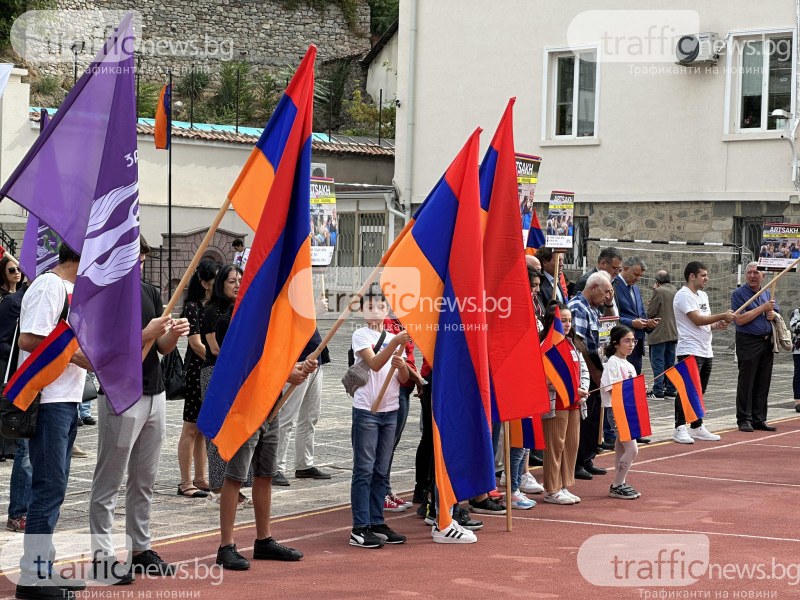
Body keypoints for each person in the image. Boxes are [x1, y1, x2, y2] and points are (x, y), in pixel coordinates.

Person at [89, 238, 191, 584]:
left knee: (144, 478)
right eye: (136, 261)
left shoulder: (149, 291)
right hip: (121, 391)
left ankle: (140, 548)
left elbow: (160, 348)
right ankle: (102, 556)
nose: (141, 268)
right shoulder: (105, 294)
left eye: (144, 262)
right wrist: (145, 333)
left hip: (155, 390)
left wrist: (173, 333)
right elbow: (105, 350)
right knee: (110, 479)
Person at [16, 244, 91, 599]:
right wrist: (78, 357)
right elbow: (30, 338)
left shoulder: (71, 290)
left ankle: (43, 566)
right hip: (48, 400)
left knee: (55, 488)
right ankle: (32, 578)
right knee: (47, 488)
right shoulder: (50, 286)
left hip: (66, 399)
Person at [214, 311, 315, 570]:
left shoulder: (272, 325)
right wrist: (285, 374)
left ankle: (264, 538)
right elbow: (244, 365)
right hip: (246, 408)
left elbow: (276, 361)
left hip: (271, 406)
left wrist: (297, 369)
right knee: (235, 476)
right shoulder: (237, 322)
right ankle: (226, 545)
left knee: (266, 474)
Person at [348, 289, 410, 548]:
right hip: (367, 411)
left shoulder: (395, 338)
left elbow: (403, 379)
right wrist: (395, 344)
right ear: (364, 311)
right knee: (364, 469)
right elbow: (373, 364)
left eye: (380, 306)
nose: (376, 311)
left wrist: (403, 366)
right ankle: (360, 526)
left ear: (386, 310)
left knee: (381, 470)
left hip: (390, 409)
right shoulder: (361, 335)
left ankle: (376, 520)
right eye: (370, 307)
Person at [672, 261, 734, 444]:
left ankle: (697, 426)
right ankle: (679, 427)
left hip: (706, 349)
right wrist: (722, 315)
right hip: (690, 349)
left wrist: (717, 324)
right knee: (686, 390)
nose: (707, 278)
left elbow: (706, 322)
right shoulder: (683, 295)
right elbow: (697, 320)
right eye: (703, 275)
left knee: (700, 390)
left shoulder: (703, 295)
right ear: (692, 276)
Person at [202, 265, 247, 499]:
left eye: (240, 279)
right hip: (216, 373)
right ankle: (218, 486)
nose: (237, 284)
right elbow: (215, 349)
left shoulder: (242, 309)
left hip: (238, 374)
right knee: (217, 430)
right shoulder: (212, 311)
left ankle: (236, 485)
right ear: (221, 284)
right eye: (232, 281)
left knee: (238, 428)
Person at [274, 310, 332, 486]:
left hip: (315, 359)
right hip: (296, 362)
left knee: (310, 417)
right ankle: (275, 467)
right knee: (286, 417)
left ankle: (304, 463)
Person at [176, 259, 218, 498]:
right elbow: (196, 344)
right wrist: (218, 362)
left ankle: (201, 478)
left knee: (203, 428)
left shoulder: (216, 307)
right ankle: (185, 482)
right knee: (191, 428)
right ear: (203, 283)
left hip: (211, 371)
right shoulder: (193, 307)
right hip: (196, 372)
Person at [568, 271, 614, 480]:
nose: (607, 297)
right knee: (583, 419)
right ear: (594, 287)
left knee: (594, 417)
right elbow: (580, 344)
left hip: (596, 365)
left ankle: (586, 458)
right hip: (584, 370)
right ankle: (576, 461)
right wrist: (593, 372)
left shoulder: (593, 309)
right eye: (605, 292)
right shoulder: (578, 307)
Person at [541, 303, 588, 505]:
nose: (567, 324)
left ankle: (563, 485)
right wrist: (571, 389)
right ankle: (551, 489)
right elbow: (545, 378)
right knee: (555, 447)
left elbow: (583, 370)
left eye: (569, 320)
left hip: (575, 404)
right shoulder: (546, 346)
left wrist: (583, 388)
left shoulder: (572, 344)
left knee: (570, 445)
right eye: (563, 320)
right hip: (557, 404)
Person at [731, 262, 779, 432]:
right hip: (748, 341)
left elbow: (775, 313)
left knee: (763, 381)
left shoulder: (767, 292)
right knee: (747, 381)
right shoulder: (739, 294)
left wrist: (773, 315)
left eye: (756, 273)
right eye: (749, 272)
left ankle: (759, 418)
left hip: (766, 342)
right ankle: (744, 418)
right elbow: (740, 319)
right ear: (745, 275)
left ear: (763, 276)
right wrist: (762, 308)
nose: (753, 276)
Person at [0, 285, 30, 532]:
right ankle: (18, 511)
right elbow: (2, 341)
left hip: (50, 386)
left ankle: (36, 508)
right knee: (26, 452)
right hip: (22, 383)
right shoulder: (13, 303)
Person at [600, 326, 641, 499]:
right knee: (632, 449)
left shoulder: (629, 365)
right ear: (616, 344)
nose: (631, 344)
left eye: (633, 341)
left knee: (620, 447)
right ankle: (617, 483)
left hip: (628, 409)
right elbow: (611, 389)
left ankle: (619, 483)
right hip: (617, 410)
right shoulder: (612, 364)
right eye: (627, 340)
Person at [613, 256, 656, 375]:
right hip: (621, 343)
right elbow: (611, 317)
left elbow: (640, 313)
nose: (638, 279)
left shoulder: (636, 289)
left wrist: (648, 324)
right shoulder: (614, 285)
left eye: (640, 276)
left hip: (637, 344)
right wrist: (631, 323)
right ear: (625, 269)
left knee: (635, 379)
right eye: (636, 275)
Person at [647, 270, 678, 399]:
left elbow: (651, 312)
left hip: (659, 332)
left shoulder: (659, 291)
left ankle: (657, 389)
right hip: (673, 332)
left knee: (657, 362)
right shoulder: (676, 290)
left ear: (657, 281)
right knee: (670, 362)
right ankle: (671, 388)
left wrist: (650, 303)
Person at [791, 307, 800, 412]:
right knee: (798, 374)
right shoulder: (797, 312)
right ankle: (798, 400)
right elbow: (794, 327)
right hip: (799, 350)